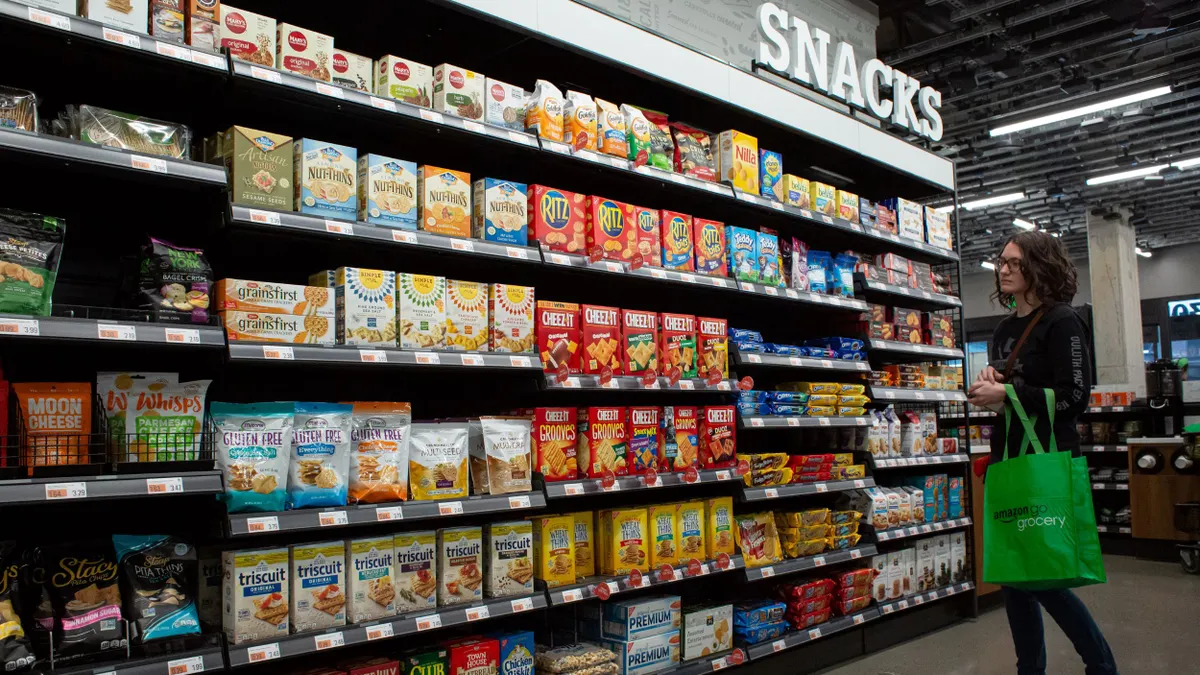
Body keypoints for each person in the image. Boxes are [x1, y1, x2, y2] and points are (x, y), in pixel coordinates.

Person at [967, 231, 1119, 675]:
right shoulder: (1003, 329)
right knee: (1014, 576)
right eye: (1001, 261)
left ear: (1039, 266)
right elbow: (1017, 393)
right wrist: (994, 391)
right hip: (1008, 460)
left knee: (1045, 577)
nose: (1003, 269)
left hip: (1047, 462)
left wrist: (1008, 392)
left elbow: (1074, 399)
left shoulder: (1063, 322)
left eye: (1014, 262)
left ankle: (1101, 665)